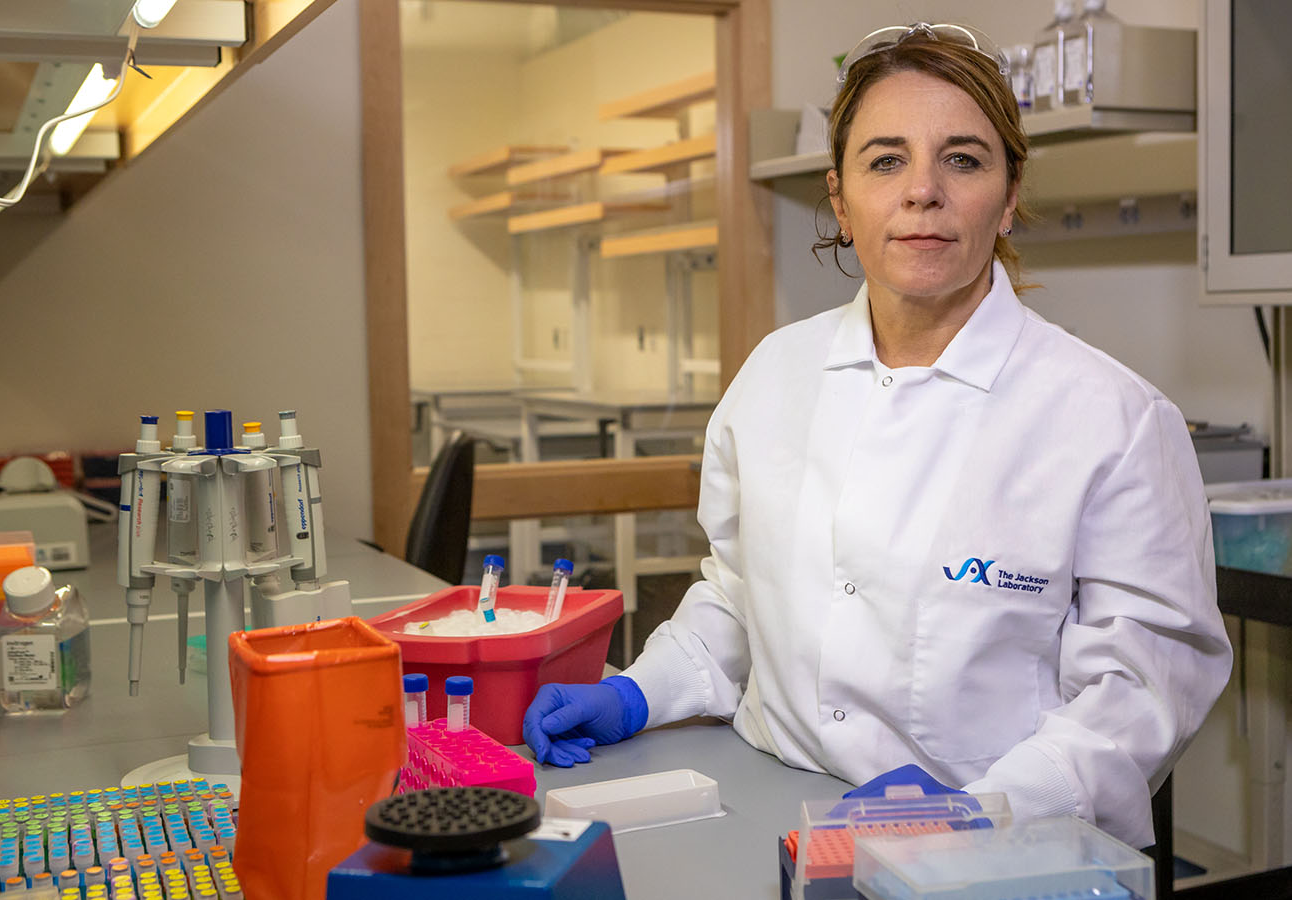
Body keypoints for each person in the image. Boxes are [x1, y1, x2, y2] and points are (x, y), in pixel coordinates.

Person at [522, 22, 1232, 848]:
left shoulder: (1110, 418)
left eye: (962, 159)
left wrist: (985, 812)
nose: (921, 190)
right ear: (840, 198)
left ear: (1007, 196)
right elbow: (740, 595)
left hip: (997, 851)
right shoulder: (774, 377)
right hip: (764, 807)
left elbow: (1143, 692)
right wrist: (639, 691)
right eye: (885, 159)